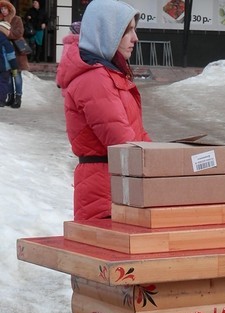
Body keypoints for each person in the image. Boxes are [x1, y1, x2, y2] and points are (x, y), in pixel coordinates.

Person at [56, 0, 151, 221]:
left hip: (116, 185)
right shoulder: (95, 80)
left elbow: (137, 134)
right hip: (106, 192)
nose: (135, 39)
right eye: (128, 31)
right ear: (108, 33)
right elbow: (122, 142)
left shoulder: (109, 75)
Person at [0, 0, 29, 108]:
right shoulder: (1, 20)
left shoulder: (17, 19)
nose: (3, 11)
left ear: (9, 9)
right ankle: (10, 96)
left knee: (17, 75)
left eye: (5, 8)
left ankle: (18, 98)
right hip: (5, 53)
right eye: (2, 9)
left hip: (17, 52)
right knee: (7, 76)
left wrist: (6, 34)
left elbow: (19, 33)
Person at [0, 20, 17, 107]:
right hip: (3, 67)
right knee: (3, 83)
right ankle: (1, 100)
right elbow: (11, 56)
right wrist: (14, 68)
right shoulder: (6, 42)